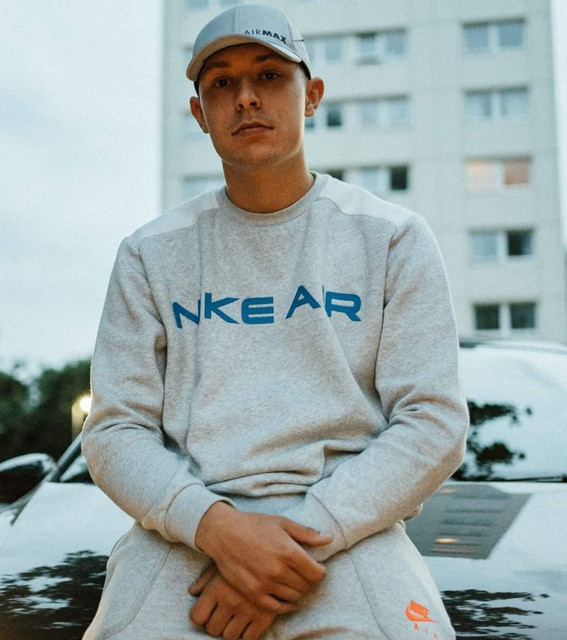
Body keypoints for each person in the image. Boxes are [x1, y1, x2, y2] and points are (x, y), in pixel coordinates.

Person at [81, 4, 469, 640]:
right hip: (184, 538)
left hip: (351, 533)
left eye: (269, 75)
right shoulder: (150, 254)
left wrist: (289, 549)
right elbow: (114, 429)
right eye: (222, 84)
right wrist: (219, 530)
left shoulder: (392, 237)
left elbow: (434, 421)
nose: (246, 98)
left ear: (311, 95)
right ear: (199, 113)